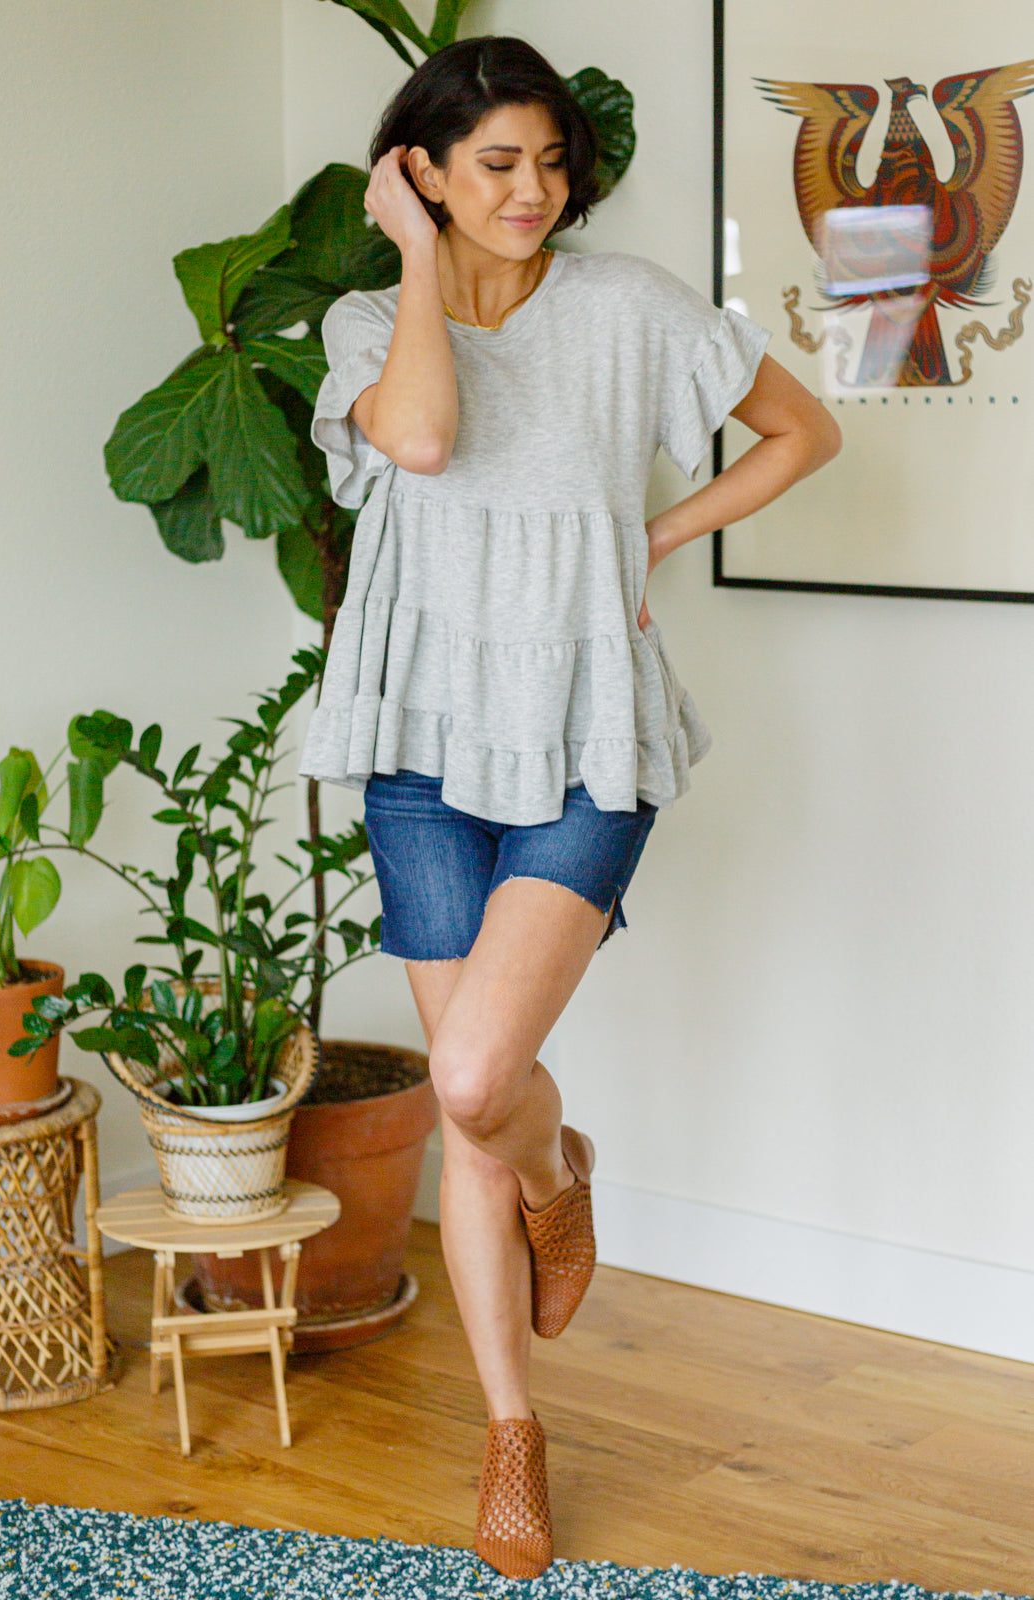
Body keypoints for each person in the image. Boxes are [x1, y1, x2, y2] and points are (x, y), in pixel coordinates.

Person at [298, 34, 841, 1581]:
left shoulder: (631, 309)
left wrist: (650, 540)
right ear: (421, 172)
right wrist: (414, 261)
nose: (534, 192)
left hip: (588, 733)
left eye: (549, 163)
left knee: (477, 1083)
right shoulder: (364, 321)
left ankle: (558, 1168)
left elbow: (807, 432)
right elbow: (419, 436)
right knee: (467, 1111)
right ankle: (512, 1439)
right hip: (419, 742)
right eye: (493, 166)